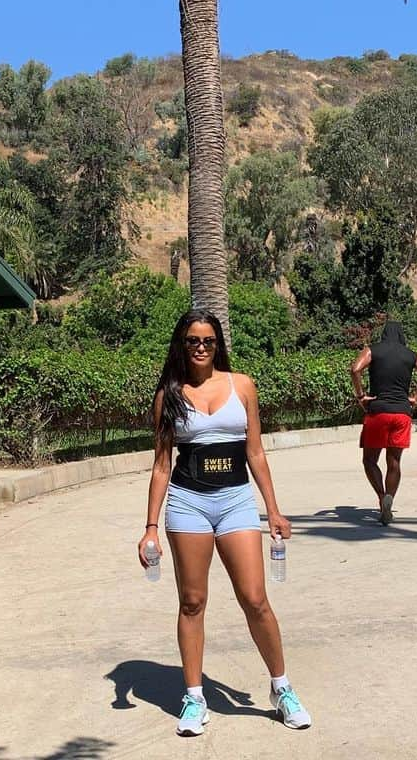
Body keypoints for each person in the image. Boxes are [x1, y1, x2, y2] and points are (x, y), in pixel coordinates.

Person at [138, 311, 310, 737]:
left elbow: (255, 453)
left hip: (235, 501)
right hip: (187, 503)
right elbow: (161, 466)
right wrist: (150, 527)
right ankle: (194, 697)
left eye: (208, 341)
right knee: (192, 602)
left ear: (218, 345)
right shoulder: (168, 396)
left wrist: (273, 509)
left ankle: (281, 687)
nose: (201, 347)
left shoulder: (242, 385)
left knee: (255, 598)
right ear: (182, 344)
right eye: (193, 340)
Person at [349, 320, 417, 526]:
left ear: (383, 334)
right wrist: (416, 397)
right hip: (401, 414)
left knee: (370, 460)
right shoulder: (410, 354)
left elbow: (355, 369)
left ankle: (381, 497)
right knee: (394, 462)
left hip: (378, 412)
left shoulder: (373, 350)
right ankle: (390, 496)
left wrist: (361, 395)